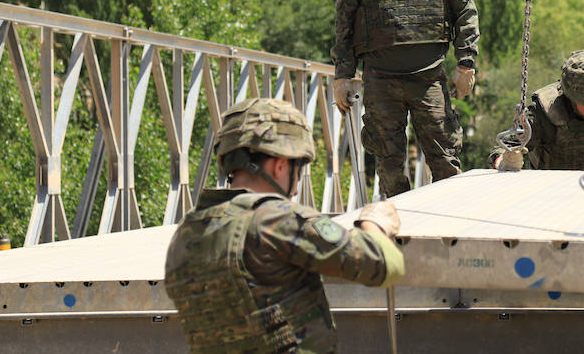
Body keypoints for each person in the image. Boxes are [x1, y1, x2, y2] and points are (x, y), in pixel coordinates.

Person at [165, 98, 404, 354]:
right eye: (298, 169)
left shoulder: (186, 232)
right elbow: (386, 265)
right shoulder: (275, 218)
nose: (298, 185)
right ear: (280, 165)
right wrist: (374, 221)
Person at [331, 0, 480, 197]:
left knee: (446, 166)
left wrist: (466, 63)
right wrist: (342, 75)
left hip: (429, 79)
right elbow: (343, 21)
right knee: (389, 169)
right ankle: (400, 240)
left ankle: (450, 236)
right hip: (380, 81)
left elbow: (465, 9)